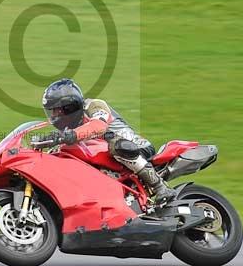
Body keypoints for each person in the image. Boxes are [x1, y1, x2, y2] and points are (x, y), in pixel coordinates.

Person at [39, 78, 176, 204]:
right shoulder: (71, 127)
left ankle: (160, 187)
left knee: (117, 145)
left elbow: (99, 126)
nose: (54, 116)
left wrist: (71, 136)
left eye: (57, 111)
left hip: (134, 147)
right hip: (108, 156)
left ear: (69, 106)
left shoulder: (94, 106)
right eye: (51, 112)